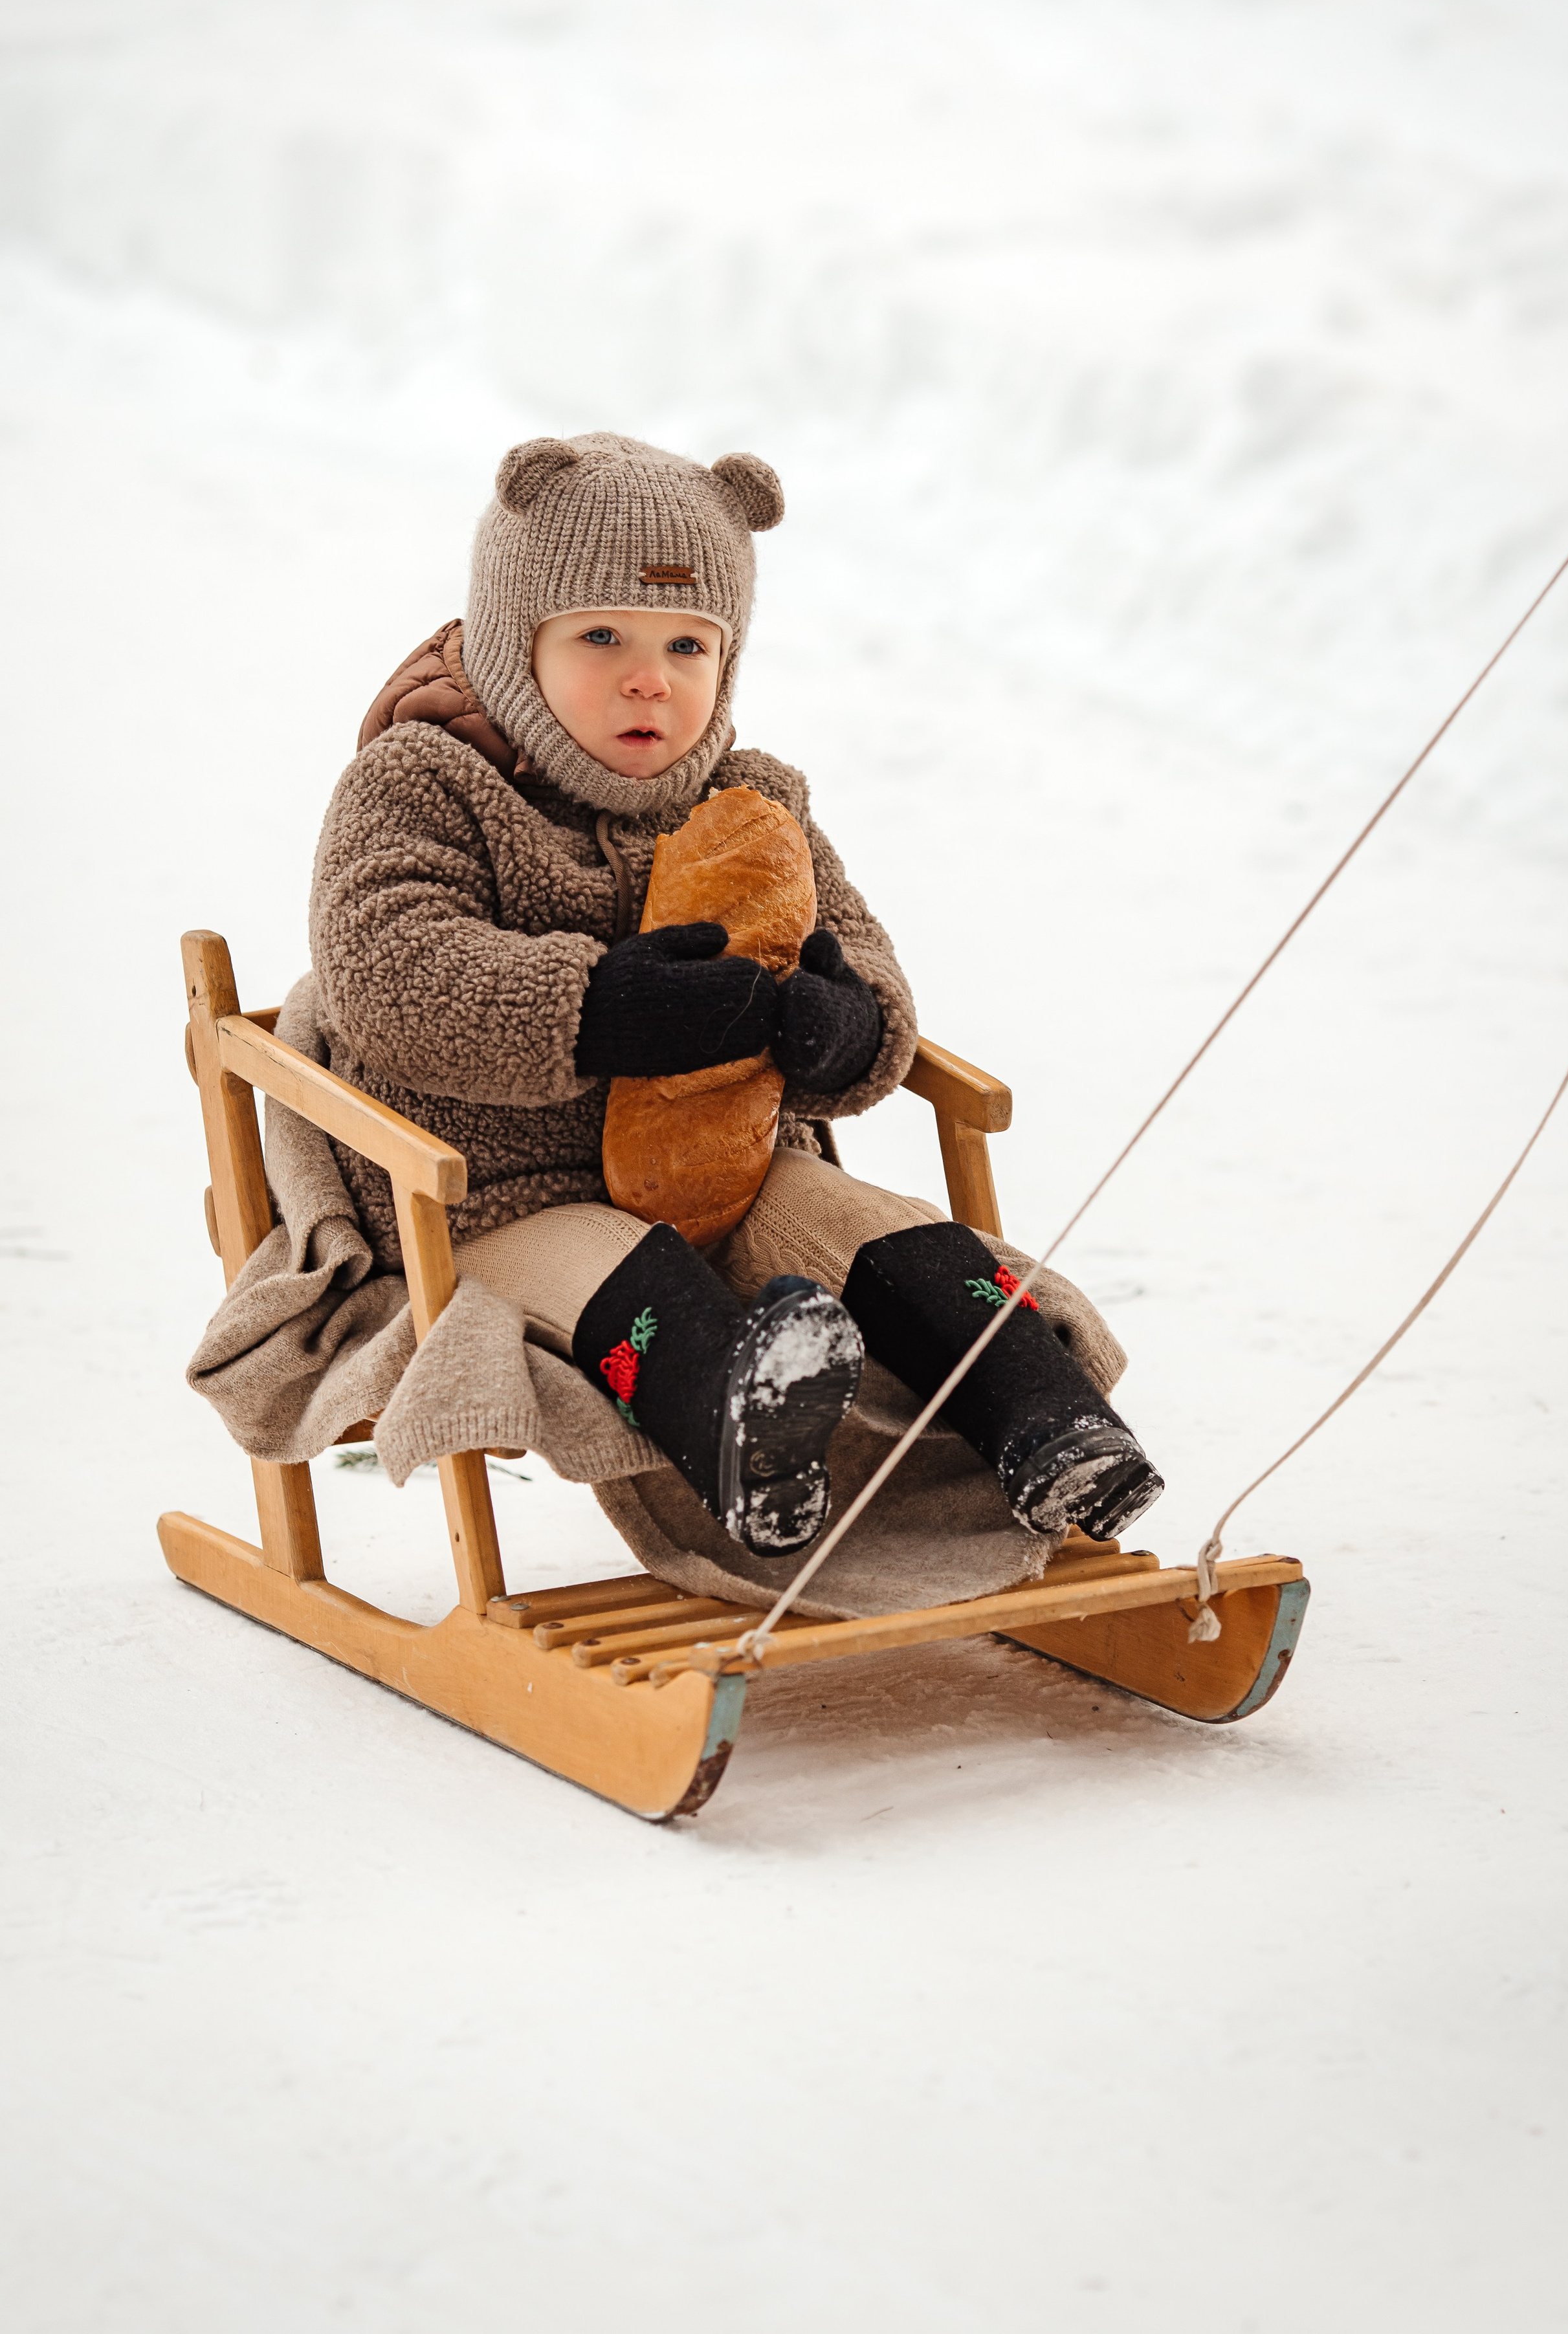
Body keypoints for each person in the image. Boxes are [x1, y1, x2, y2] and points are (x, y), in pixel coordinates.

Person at [310, 432, 1162, 1561]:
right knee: (615, 1273)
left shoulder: (754, 801)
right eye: (599, 635)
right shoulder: (422, 782)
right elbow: (390, 971)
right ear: (518, 643)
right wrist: (597, 1007)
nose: (648, 676)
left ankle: (1053, 1421)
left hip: (734, 1174)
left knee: (878, 1234)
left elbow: (858, 946)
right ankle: (744, 1440)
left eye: (688, 643)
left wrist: (849, 1024)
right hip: (501, 1197)